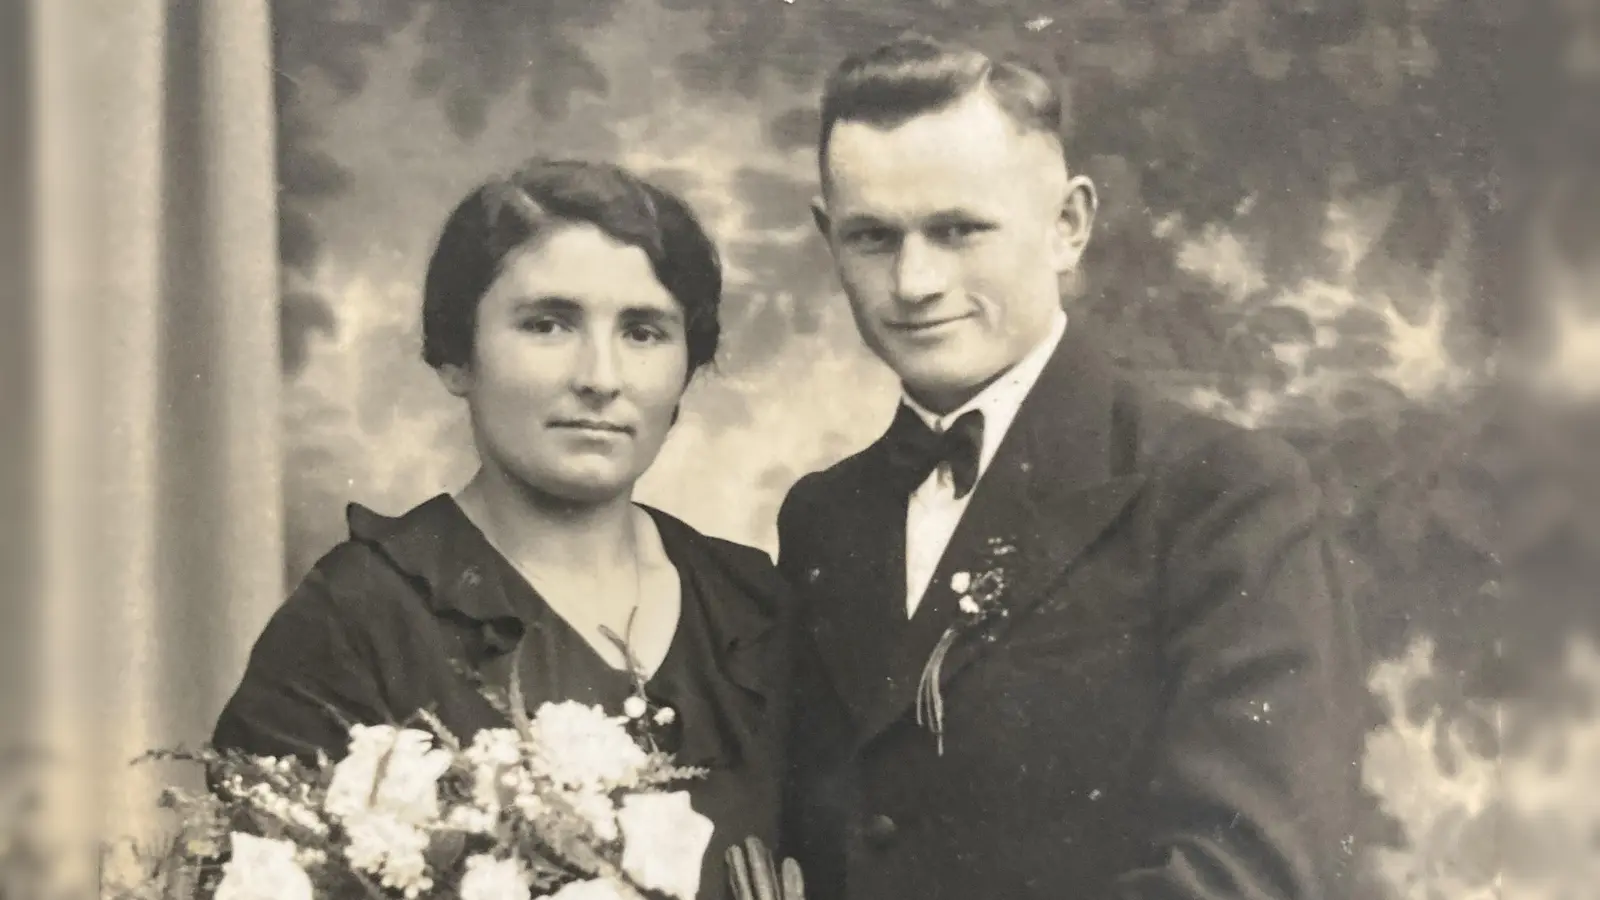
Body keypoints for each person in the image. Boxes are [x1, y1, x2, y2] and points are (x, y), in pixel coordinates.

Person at [777, 37, 1362, 900]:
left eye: (958, 230)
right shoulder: (823, 517)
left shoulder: (1222, 493)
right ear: (829, 237)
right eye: (872, 237)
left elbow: (1251, 874)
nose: (913, 281)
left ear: (1068, 226)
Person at [212, 158, 794, 900]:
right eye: (547, 324)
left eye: (644, 332)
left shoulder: (751, 605)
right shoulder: (359, 622)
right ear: (458, 357)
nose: (600, 377)